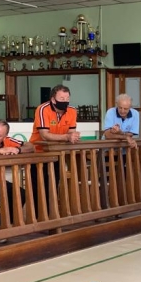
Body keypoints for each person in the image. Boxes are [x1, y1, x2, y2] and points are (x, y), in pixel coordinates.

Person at [28, 85, 80, 216]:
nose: (65, 101)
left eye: (67, 98)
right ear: (53, 99)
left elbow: (71, 133)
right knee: (38, 186)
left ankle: (51, 213)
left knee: (53, 184)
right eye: (62, 98)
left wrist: (72, 137)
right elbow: (44, 134)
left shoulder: (72, 111)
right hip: (38, 153)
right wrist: (67, 137)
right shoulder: (43, 109)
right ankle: (38, 215)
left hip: (58, 153)